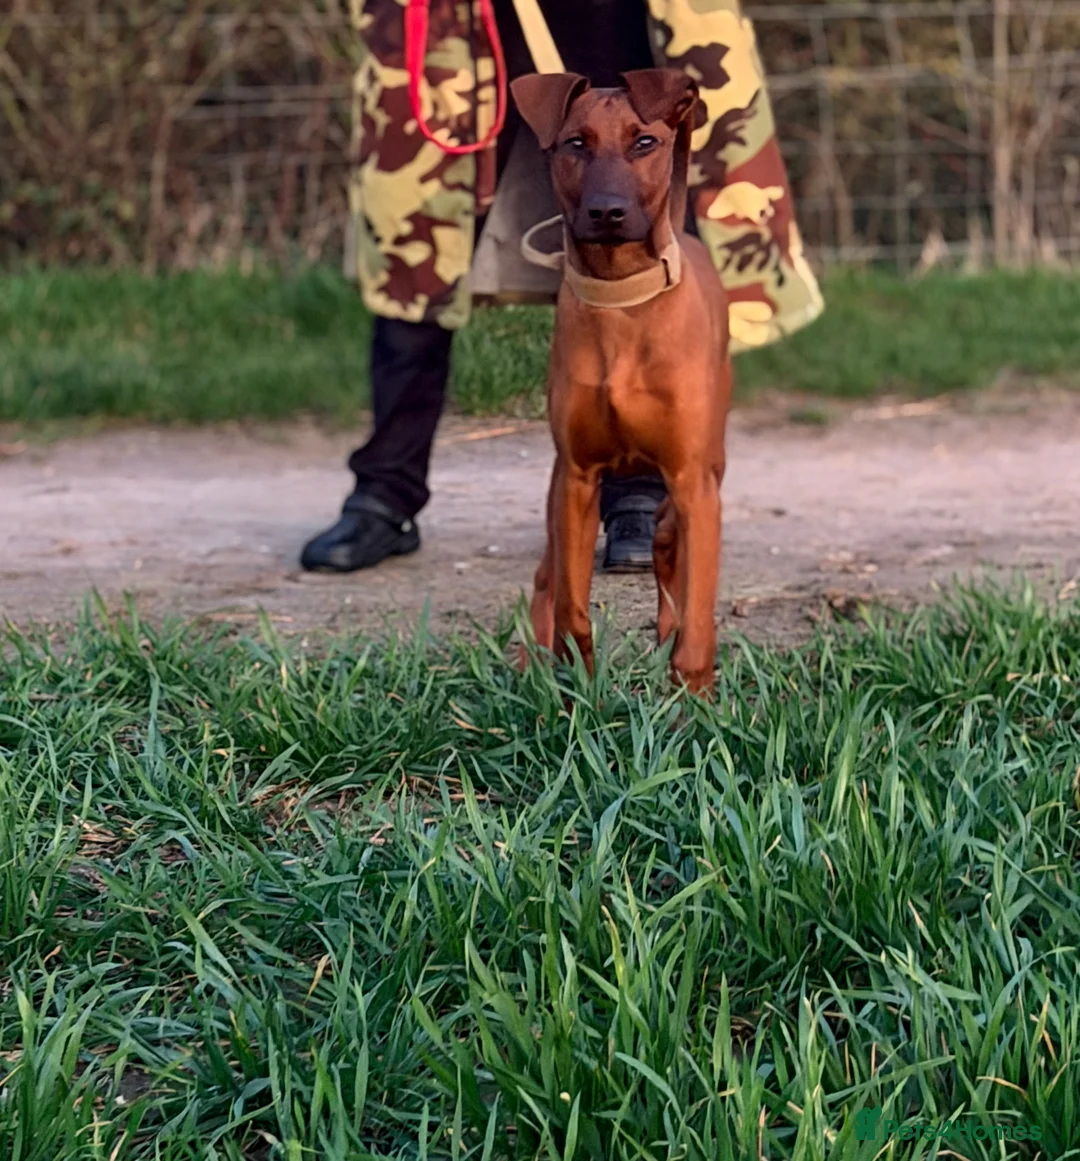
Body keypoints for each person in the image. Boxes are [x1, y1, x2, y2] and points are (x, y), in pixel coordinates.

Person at [301, 0, 824, 574]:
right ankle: (385, 494)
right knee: (415, 250)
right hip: (453, 30)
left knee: (649, 229)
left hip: (615, 19)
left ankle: (638, 492)